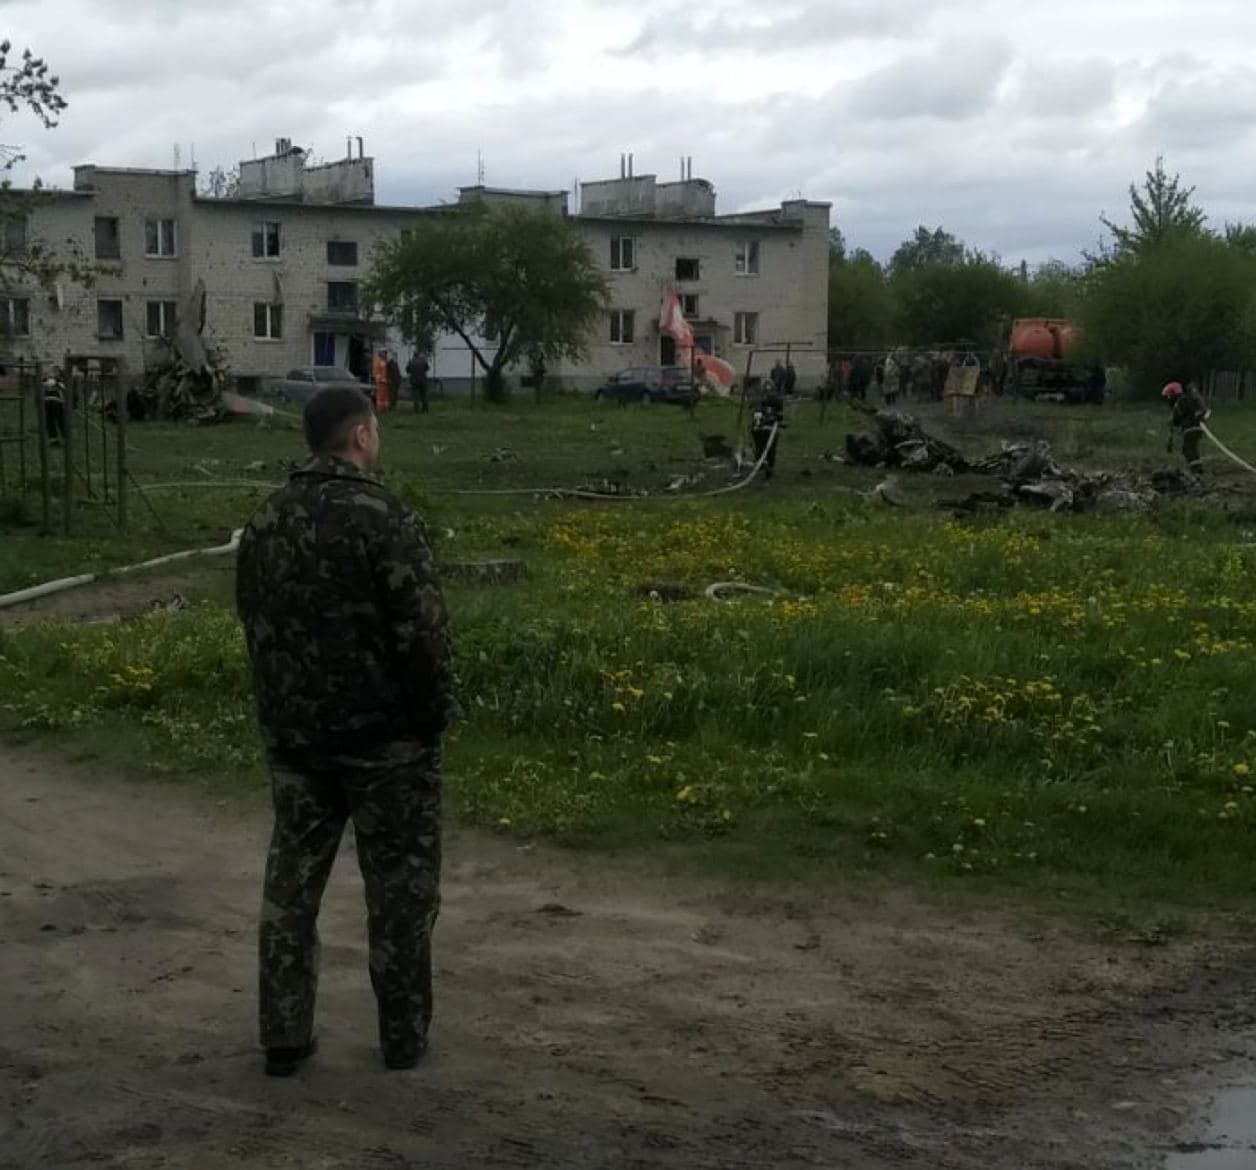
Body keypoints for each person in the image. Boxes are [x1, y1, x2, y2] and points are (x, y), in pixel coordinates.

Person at [235, 386, 455, 1077]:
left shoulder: (267, 518)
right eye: (375, 430)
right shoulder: (383, 516)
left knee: (291, 884)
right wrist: (430, 717)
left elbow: (253, 621)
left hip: (298, 740)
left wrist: (280, 710)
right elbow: (423, 634)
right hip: (386, 742)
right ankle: (402, 1037)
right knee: (399, 890)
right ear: (360, 436)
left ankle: (283, 1036)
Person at [1163, 380, 1209, 473]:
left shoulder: (1179, 403)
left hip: (1190, 428)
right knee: (1192, 447)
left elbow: (1176, 420)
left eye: (1169, 396)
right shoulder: (1188, 400)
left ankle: (1196, 469)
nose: (1168, 398)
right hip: (1198, 427)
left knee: (1187, 449)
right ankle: (1197, 466)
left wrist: (1172, 421)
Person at [750, 391, 785, 482]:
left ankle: (768, 470)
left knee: (769, 451)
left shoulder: (777, 405)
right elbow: (756, 420)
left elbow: (780, 417)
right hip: (760, 431)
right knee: (761, 449)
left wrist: (775, 420)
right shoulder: (760, 407)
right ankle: (762, 465)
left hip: (770, 431)